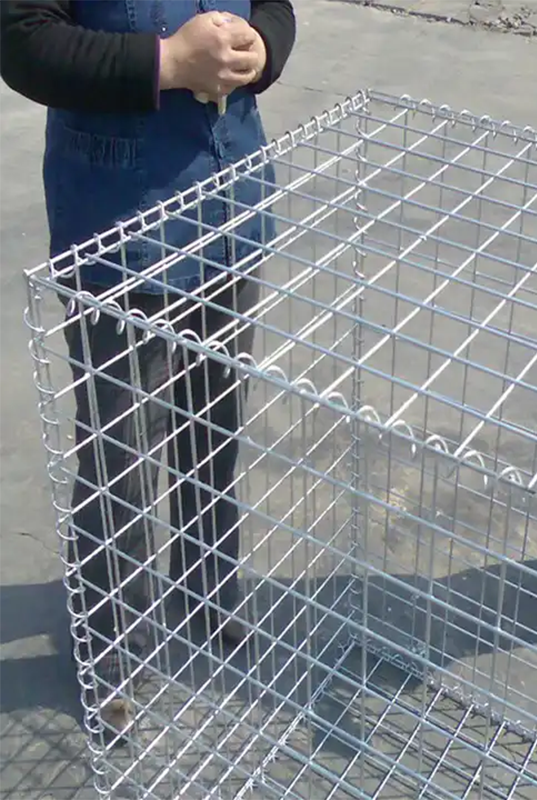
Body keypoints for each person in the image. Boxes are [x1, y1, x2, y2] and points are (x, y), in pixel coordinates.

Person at [0, 0, 296, 727]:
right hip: (120, 225)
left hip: (229, 206)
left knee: (213, 428)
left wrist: (262, 47)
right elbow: (23, 40)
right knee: (122, 454)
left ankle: (205, 588)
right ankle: (112, 642)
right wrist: (167, 63)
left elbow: (274, 6)